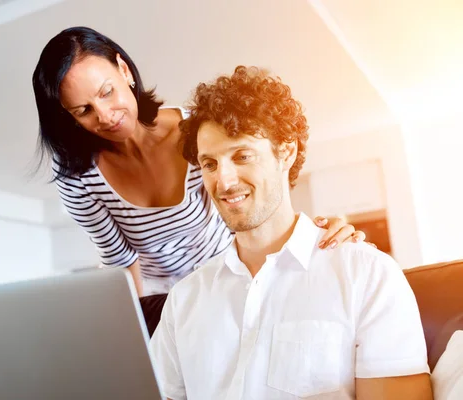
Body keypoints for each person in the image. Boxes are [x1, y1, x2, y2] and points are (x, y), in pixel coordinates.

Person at [149, 66, 432, 400]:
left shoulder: (366, 274)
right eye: (209, 164)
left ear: (286, 152)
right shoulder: (184, 300)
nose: (222, 181)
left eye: (242, 156)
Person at [32, 26, 366, 297]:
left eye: (107, 92)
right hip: (162, 297)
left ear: (123, 70)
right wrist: (136, 328)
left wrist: (314, 237)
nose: (105, 116)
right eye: (83, 110)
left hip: (231, 275)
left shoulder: (199, 130)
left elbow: (253, 201)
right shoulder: (77, 178)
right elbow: (120, 260)